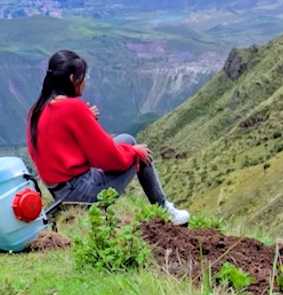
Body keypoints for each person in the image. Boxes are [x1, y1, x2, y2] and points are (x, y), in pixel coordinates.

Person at [26, 49, 190, 225]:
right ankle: (165, 210)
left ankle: (164, 206)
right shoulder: (73, 108)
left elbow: (59, 138)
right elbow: (108, 158)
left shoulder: (37, 109)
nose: (85, 81)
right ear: (73, 79)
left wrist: (87, 119)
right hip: (81, 193)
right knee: (140, 153)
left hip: (60, 191)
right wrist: (134, 153)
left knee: (127, 140)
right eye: (83, 77)